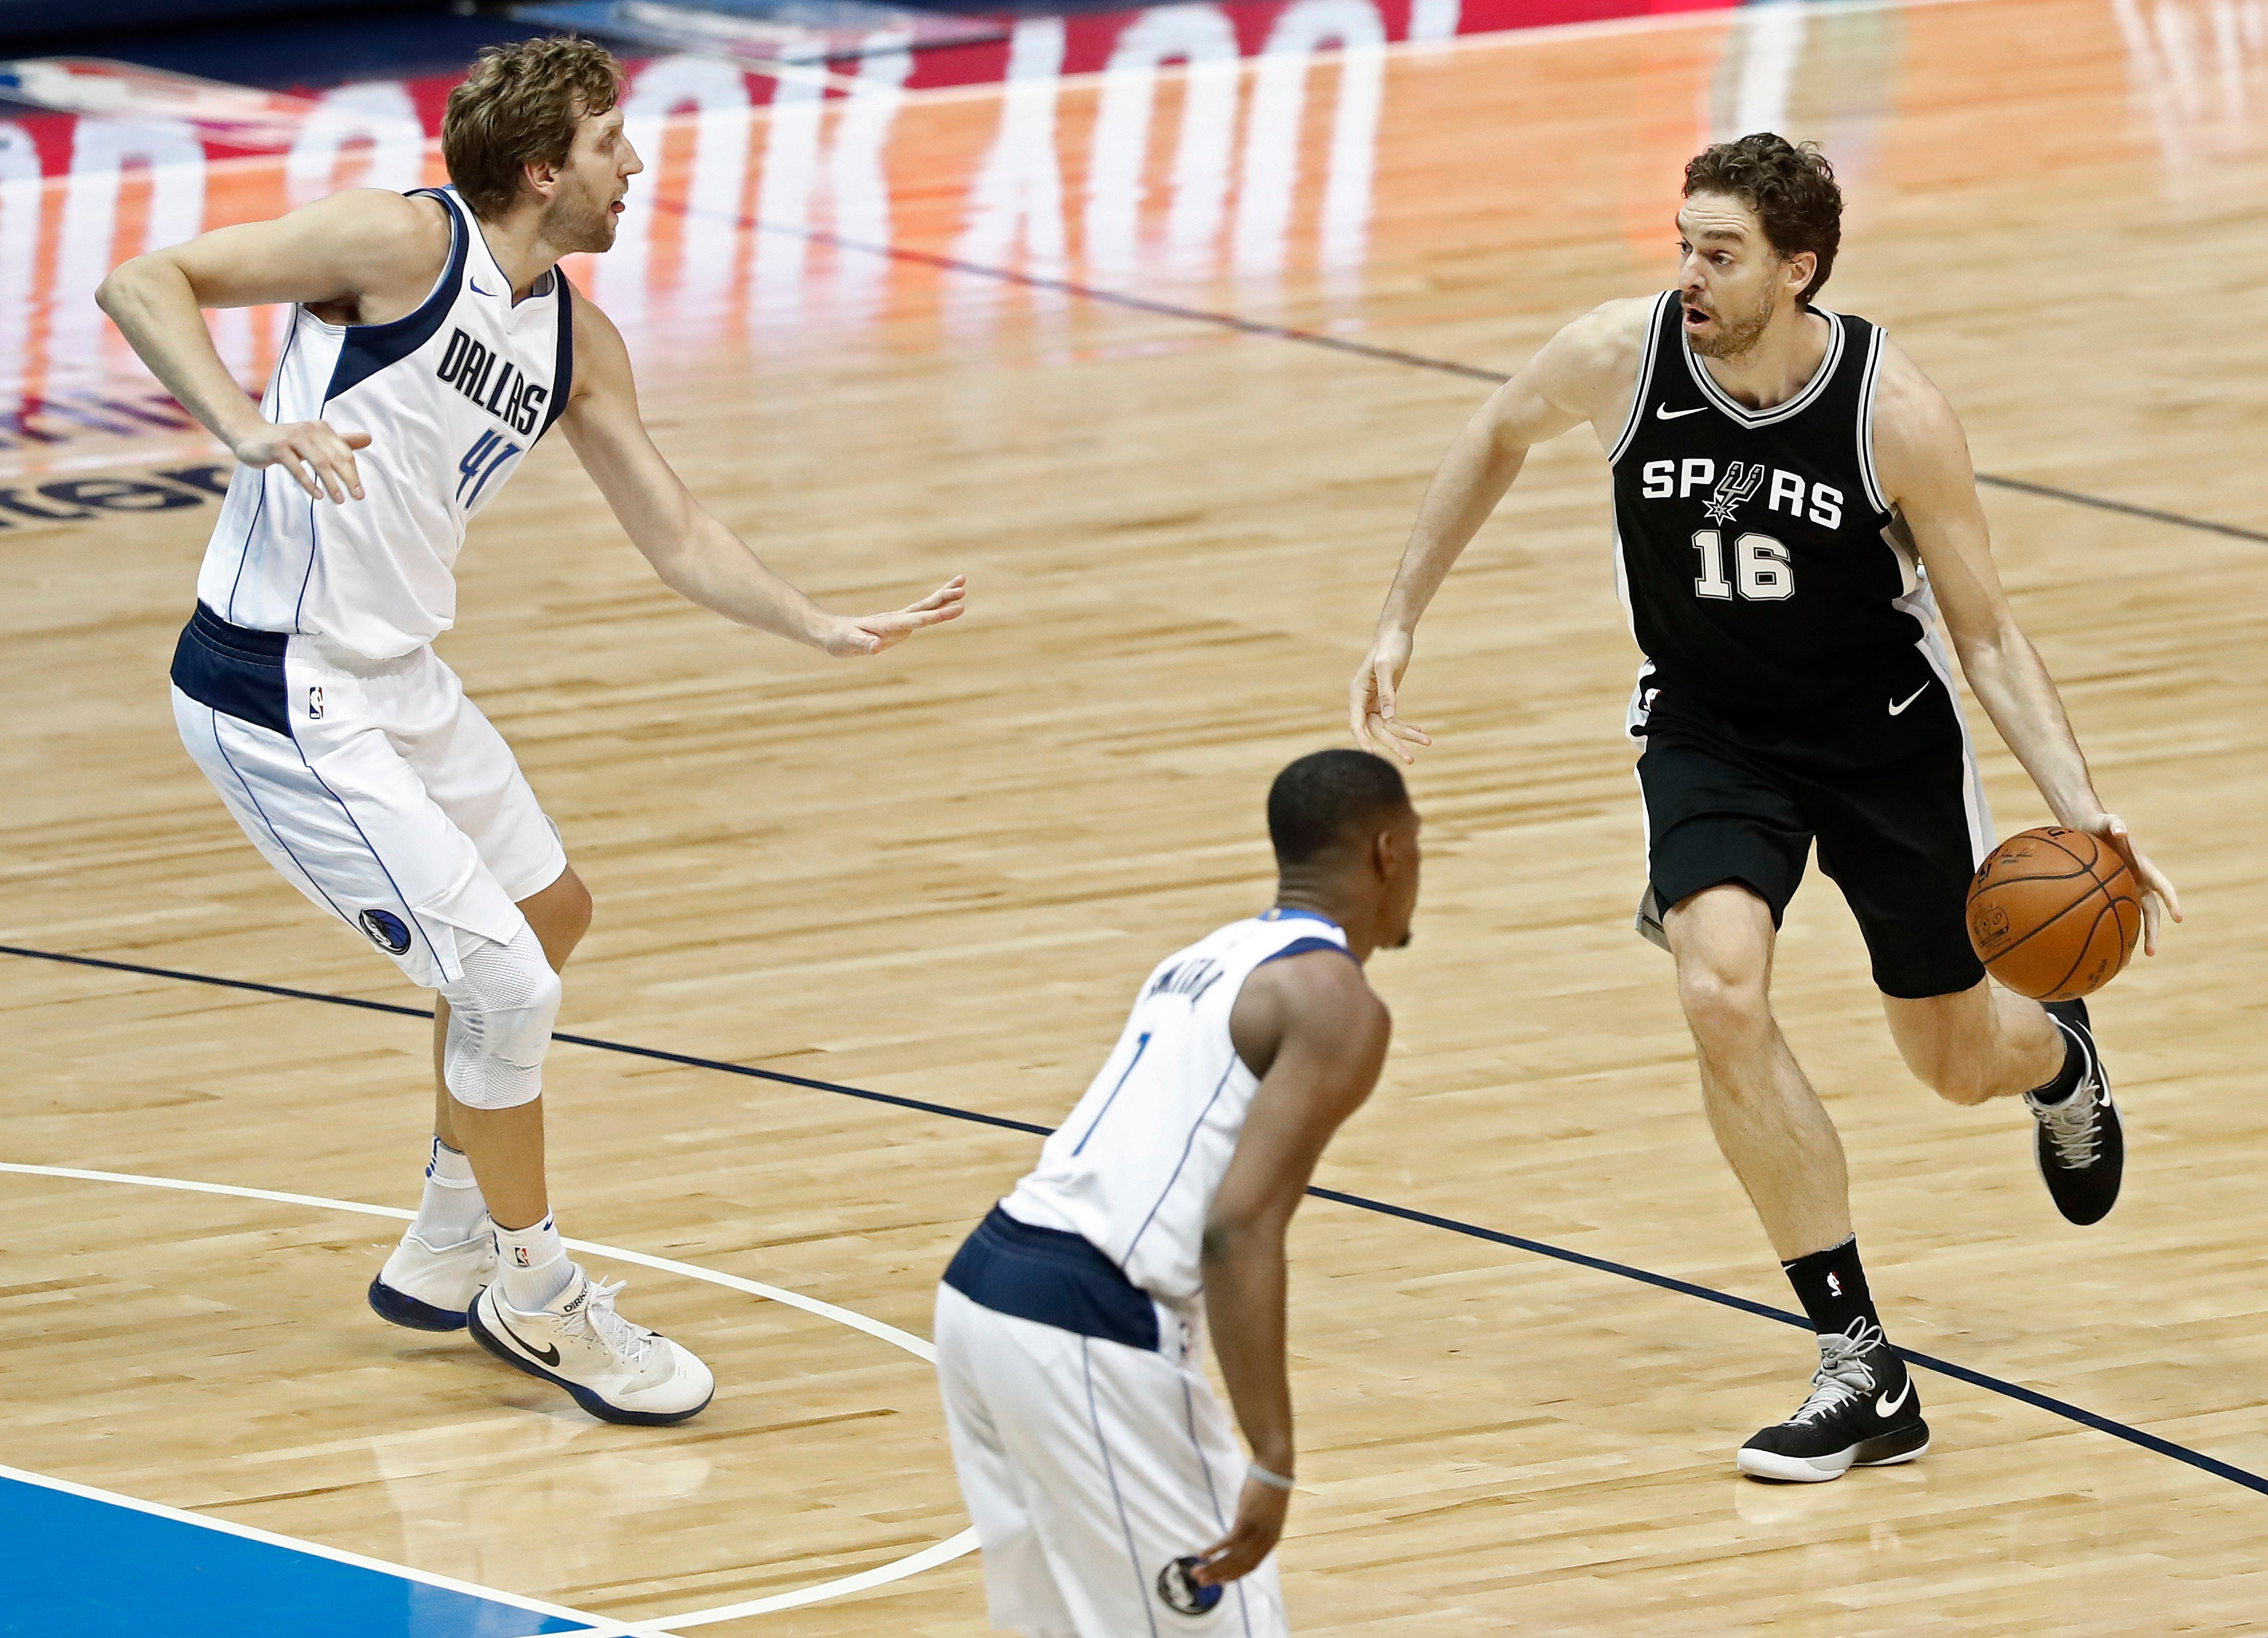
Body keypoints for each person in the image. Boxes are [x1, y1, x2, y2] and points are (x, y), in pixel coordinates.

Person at [96, 37, 964, 1425]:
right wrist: (239, 428)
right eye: (613, 145)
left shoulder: (575, 336)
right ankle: (535, 1289)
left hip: (398, 675)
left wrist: (818, 622)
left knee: (548, 913)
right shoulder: (393, 245)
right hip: (275, 680)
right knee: (508, 987)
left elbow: (672, 525)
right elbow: (145, 280)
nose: (638, 167)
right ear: (542, 168)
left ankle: (448, 1232)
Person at [1347, 134, 2178, 1483]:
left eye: (1720, 254)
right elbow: (1493, 431)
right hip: (1710, 730)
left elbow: (1987, 636)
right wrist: (1396, 620)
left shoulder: (1891, 409)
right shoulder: (1623, 358)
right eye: (1683, 242)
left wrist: (2090, 816)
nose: (1689, 273)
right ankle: (1862, 1359)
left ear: (1799, 270)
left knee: (1954, 1058)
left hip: (1881, 742)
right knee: (1720, 991)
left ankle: (2061, 1062)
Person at [933, 749, 1416, 1635]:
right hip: (1087, 1321)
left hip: (982, 1292)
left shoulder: (1207, 954)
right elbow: (1236, 1229)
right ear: (1389, 851)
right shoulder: (1335, 996)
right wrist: (1271, 1455)